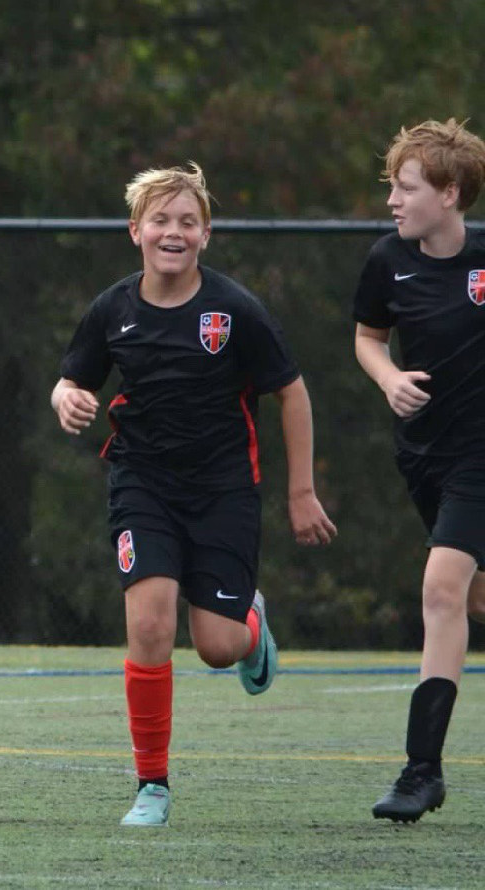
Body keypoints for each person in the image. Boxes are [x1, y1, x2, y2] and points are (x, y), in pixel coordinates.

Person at [52, 162, 336, 828]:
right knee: (149, 623)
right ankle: (152, 786)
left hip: (223, 491)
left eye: (187, 221)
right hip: (141, 483)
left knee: (214, 645)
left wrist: (301, 490)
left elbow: (291, 392)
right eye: (160, 220)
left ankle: (252, 626)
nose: (172, 232)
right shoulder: (113, 309)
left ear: (206, 234)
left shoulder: (236, 310)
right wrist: (67, 396)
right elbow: (71, 379)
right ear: (135, 232)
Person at [351, 119, 485, 822]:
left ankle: (420, 771)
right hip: (424, 456)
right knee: (472, 601)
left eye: (406, 189)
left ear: (451, 192)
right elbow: (368, 338)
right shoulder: (386, 260)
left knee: (440, 590)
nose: (394, 202)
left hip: (479, 457)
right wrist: (388, 377)